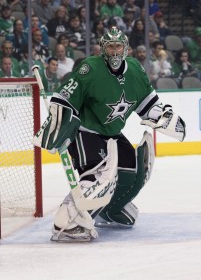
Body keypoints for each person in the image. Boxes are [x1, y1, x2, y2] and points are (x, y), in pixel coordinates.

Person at [32, 26, 186, 242]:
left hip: (112, 133)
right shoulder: (90, 69)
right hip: (86, 131)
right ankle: (68, 222)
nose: (115, 51)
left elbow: (147, 103)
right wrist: (58, 120)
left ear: (126, 49)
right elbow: (64, 98)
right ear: (103, 49)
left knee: (132, 171)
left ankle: (110, 209)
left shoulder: (135, 69)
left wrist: (164, 117)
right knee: (98, 176)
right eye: (110, 46)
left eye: (118, 46)